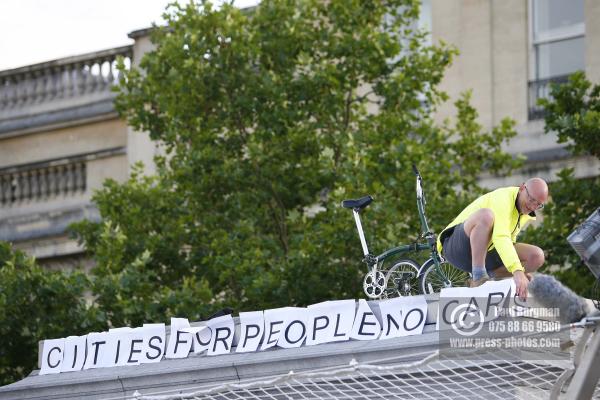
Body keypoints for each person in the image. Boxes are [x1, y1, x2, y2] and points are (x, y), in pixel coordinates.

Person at [436, 178, 549, 300]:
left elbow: (508, 242)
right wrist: (517, 271)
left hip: (484, 252)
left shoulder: (522, 210)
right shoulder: (503, 198)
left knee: (536, 256)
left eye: (538, 204)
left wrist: (521, 272)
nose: (533, 207)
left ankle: (486, 275)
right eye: (531, 199)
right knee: (486, 215)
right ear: (522, 188)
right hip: (456, 247)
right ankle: (479, 277)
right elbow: (501, 237)